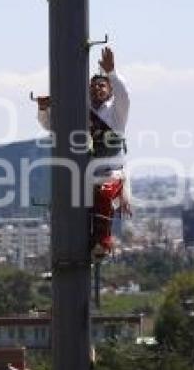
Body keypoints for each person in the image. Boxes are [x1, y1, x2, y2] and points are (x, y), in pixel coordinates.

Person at [36, 46, 130, 260]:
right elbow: (52, 125)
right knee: (74, 206)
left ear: (110, 90)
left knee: (103, 195)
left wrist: (112, 72)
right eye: (94, 86)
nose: (98, 89)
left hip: (111, 175)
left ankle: (102, 242)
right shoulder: (81, 112)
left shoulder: (117, 113)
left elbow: (124, 95)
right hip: (86, 175)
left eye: (102, 85)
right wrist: (44, 109)